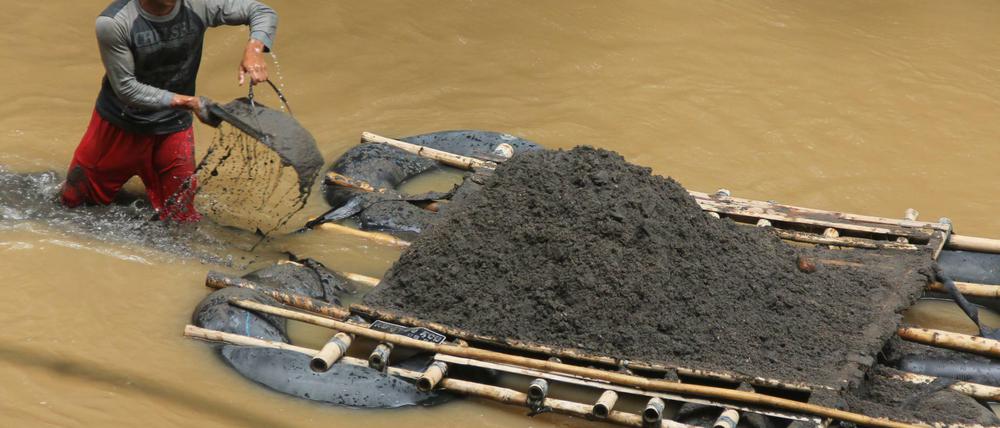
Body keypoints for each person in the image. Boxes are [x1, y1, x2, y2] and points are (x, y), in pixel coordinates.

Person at [60, 0, 278, 222]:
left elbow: (261, 11)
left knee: (181, 219)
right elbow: (126, 89)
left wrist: (255, 49)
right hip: (118, 128)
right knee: (73, 207)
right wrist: (190, 103)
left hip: (173, 129)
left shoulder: (198, 5)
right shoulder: (114, 22)